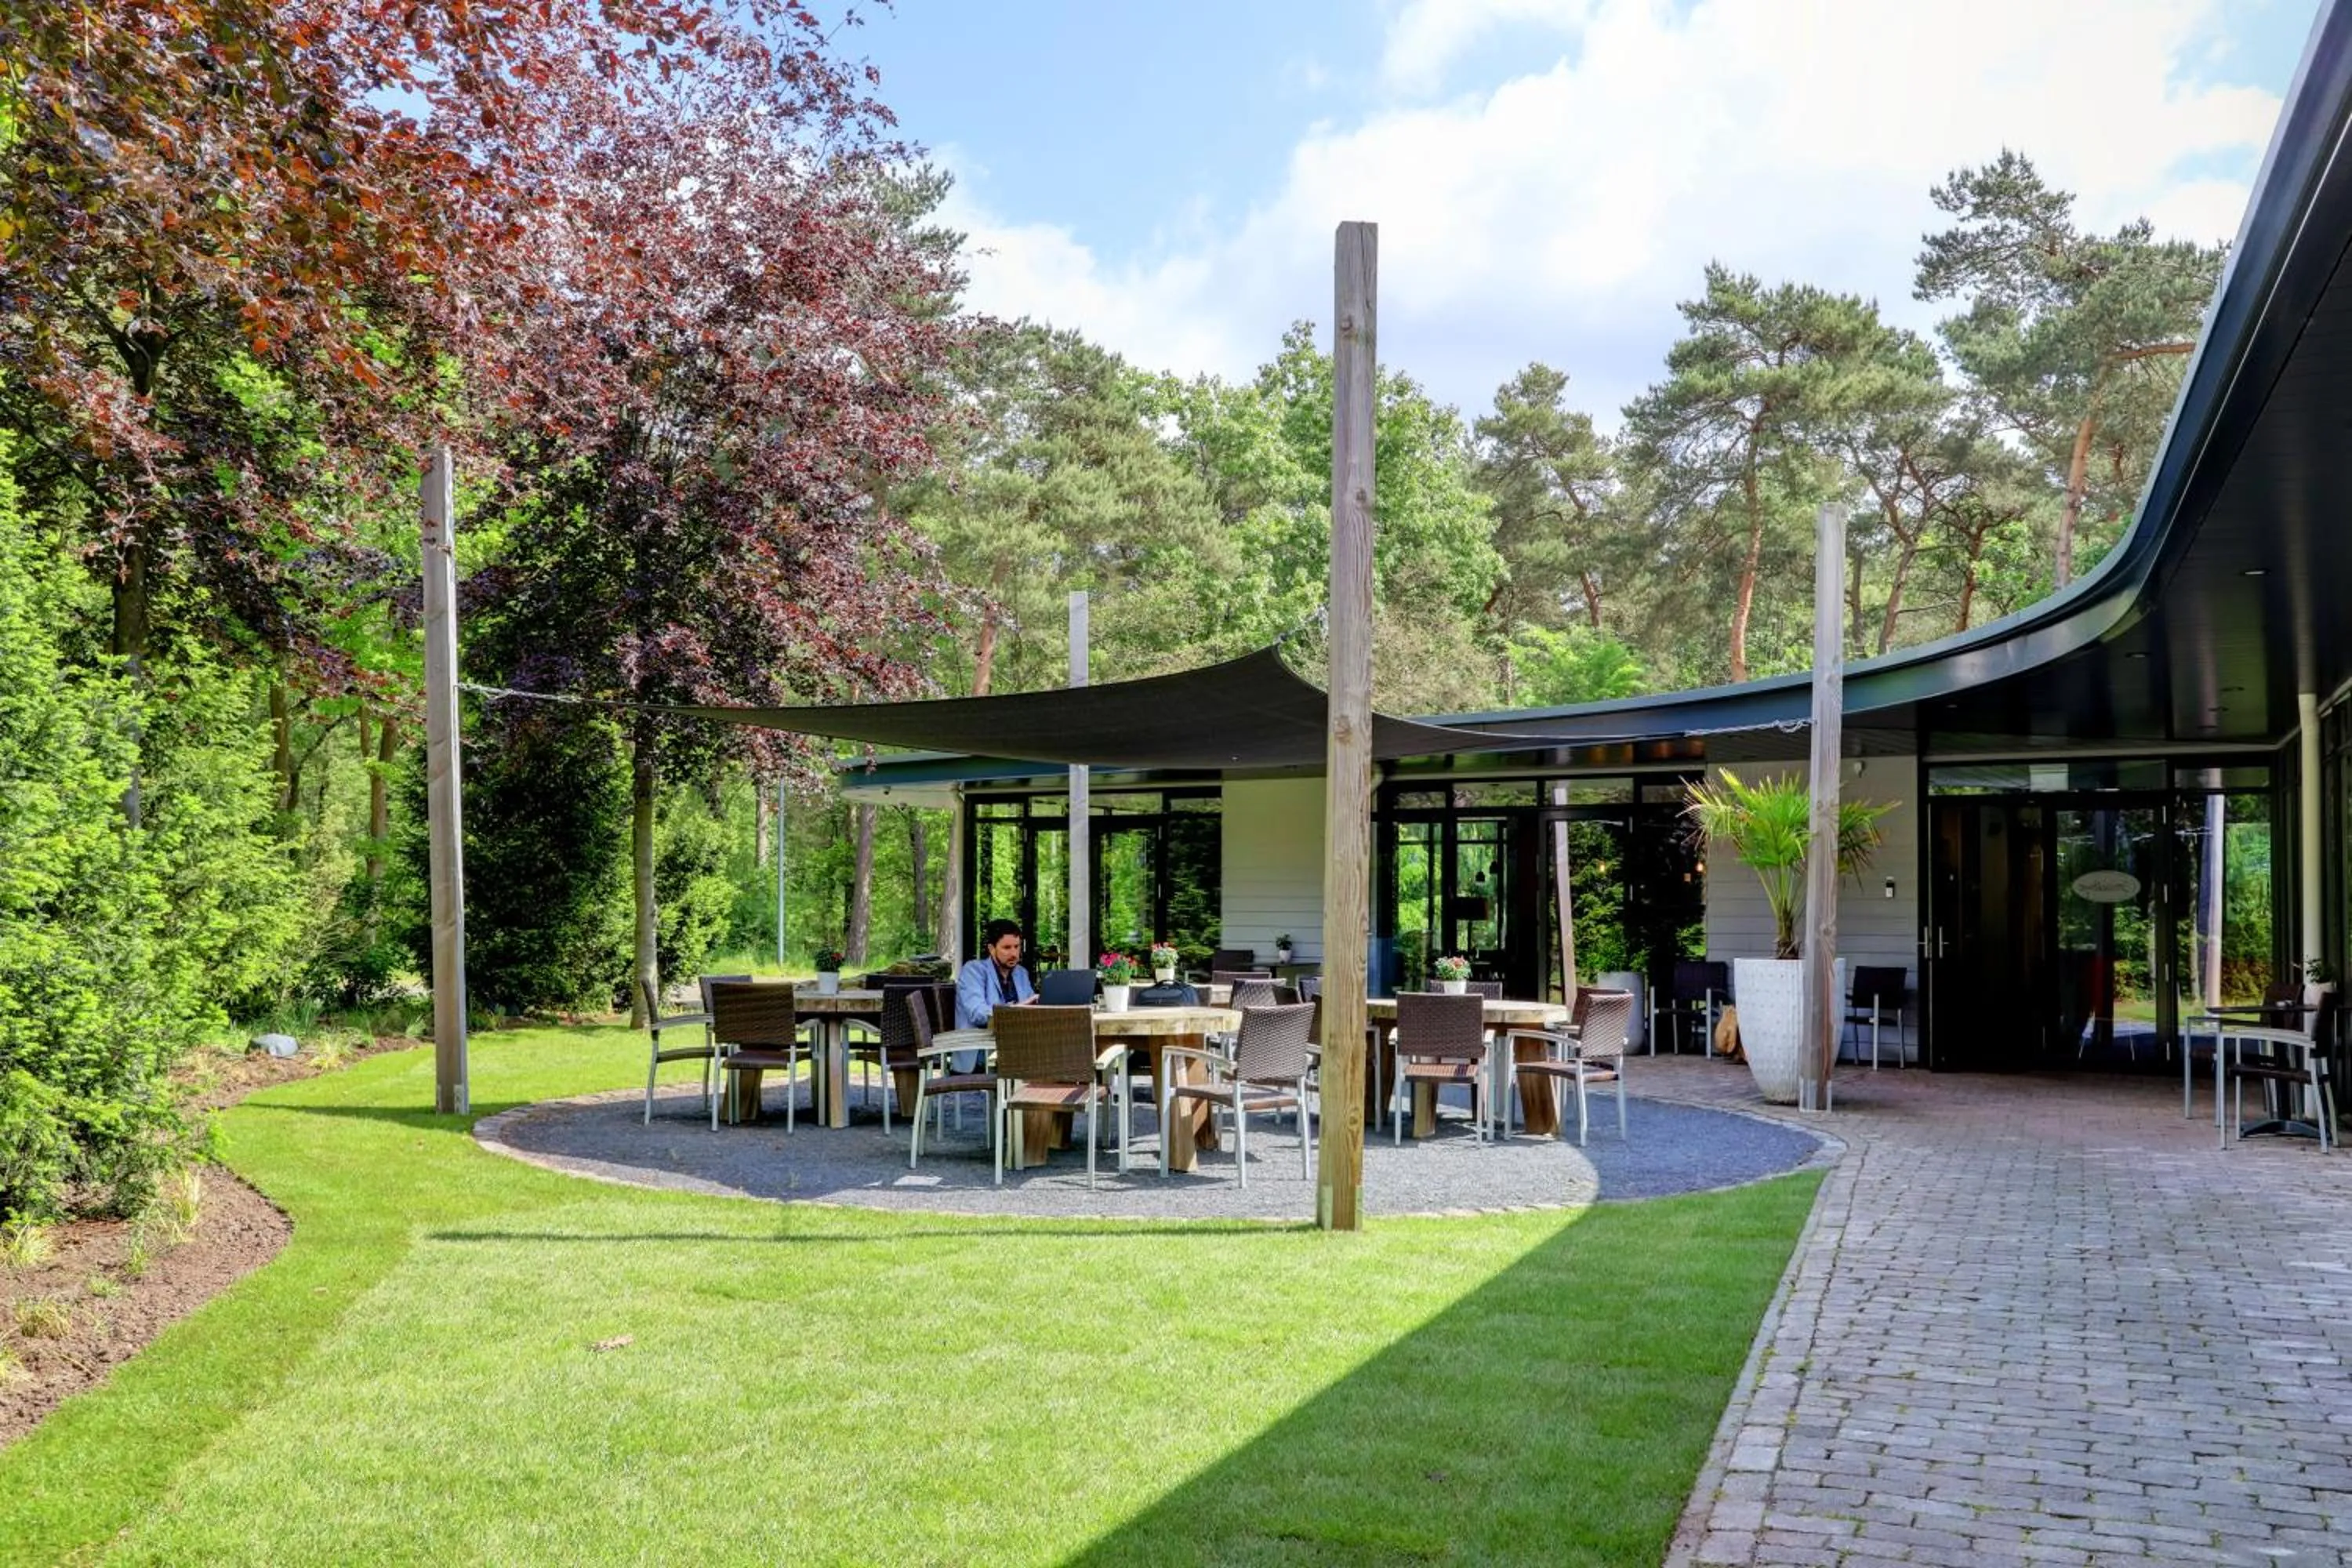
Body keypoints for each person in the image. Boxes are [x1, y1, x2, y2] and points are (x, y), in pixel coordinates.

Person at [956, 918, 1038, 1029]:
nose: (1014, 954)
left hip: (1014, 1036)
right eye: (1007, 948)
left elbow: (1032, 1010)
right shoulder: (973, 970)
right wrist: (1015, 1009)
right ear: (991, 949)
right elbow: (977, 1014)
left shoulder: (1021, 973)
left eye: (1017, 946)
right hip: (979, 1037)